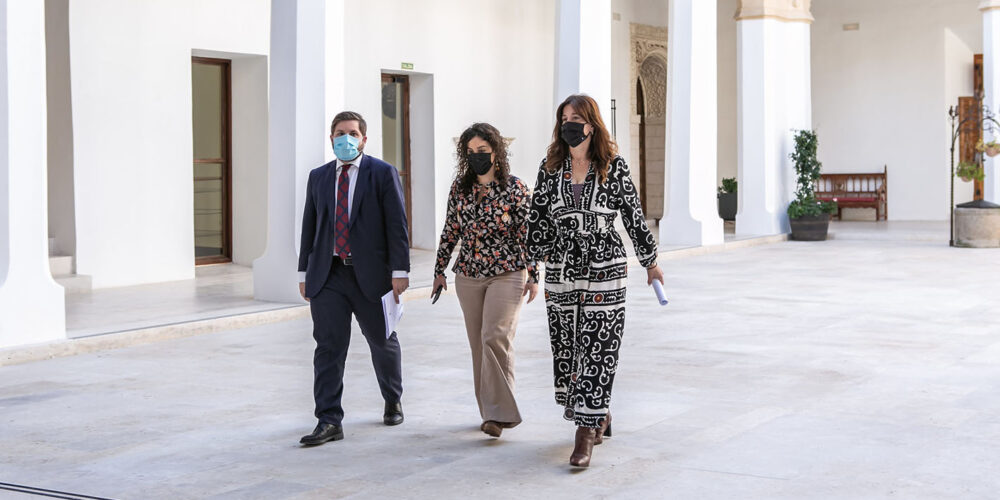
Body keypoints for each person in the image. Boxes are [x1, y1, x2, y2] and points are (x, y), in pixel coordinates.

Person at [526, 94, 663, 467]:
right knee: (569, 347)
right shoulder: (550, 166)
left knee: (600, 345)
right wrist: (532, 267)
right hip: (561, 266)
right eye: (564, 117)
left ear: (591, 124)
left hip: (605, 265)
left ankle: (585, 432)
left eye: (576, 117)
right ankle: (598, 412)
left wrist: (650, 262)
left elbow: (633, 215)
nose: (569, 123)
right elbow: (538, 219)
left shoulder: (612, 166)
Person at [297, 111, 410, 446]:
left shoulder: (382, 173)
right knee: (328, 347)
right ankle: (329, 420)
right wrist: (304, 271)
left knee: (381, 340)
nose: (345, 139)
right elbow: (309, 227)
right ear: (331, 138)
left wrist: (399, 271)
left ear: (363, 139)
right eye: (338, 133)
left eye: (352, 133)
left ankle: (392, 396)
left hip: (371, 275)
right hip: (328, 274)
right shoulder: (318, 177)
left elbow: (397, 225)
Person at [433, 123, 539, 438]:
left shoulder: (516, 188)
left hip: (507, 271)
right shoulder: (460, 188)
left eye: (483, 151)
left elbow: (527, 235)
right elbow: (451, 229)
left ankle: (501, 413)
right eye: (470, 152)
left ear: (496, 152)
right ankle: (490, 413)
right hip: (468, 273)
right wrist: (439, 270)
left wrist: (534, 274)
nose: (477, 157)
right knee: (478, 343)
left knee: (495, 336)